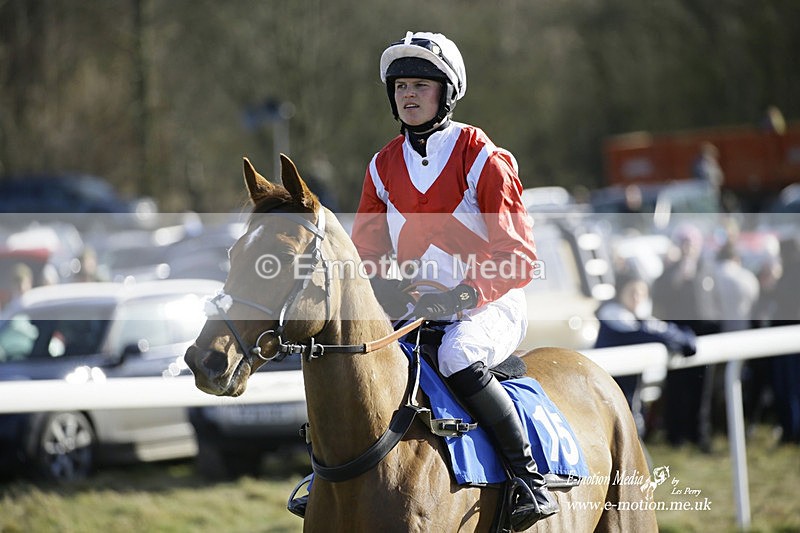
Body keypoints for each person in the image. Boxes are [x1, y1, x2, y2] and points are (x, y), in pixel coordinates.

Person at [349, 31, 556, 529]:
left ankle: (528, 478)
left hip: (488, 305)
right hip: (417, 308)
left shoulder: (480, 154)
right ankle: (334, 476)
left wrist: (462, 296)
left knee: (456, 354)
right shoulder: (381, 166)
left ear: (447, 93)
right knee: (358, 362)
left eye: (422, 84)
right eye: (401, 87)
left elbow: (519, 257)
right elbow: (368, 254)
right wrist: (389, 292)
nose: (409, 95)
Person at [595, 271, 696, 436]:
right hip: (608, 399)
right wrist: (682, 340)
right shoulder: (612, 315)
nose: (637, 297)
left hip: (628, 398)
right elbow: (651, 335)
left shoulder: (637, 318)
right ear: (620, 292)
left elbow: (679, 335)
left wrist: (684, 339)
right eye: (632, 292)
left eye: (641, 293)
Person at [651, 224, 720, 449]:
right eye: (685, 243)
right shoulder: (669, 271)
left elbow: (713, 303)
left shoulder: (707, 268)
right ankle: (676, 436)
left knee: (702, 390)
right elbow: (660, 299)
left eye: (692, 243)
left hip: (704, 336)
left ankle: (699, 435)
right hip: (679, 338)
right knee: (677, 388)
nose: (689, 248)